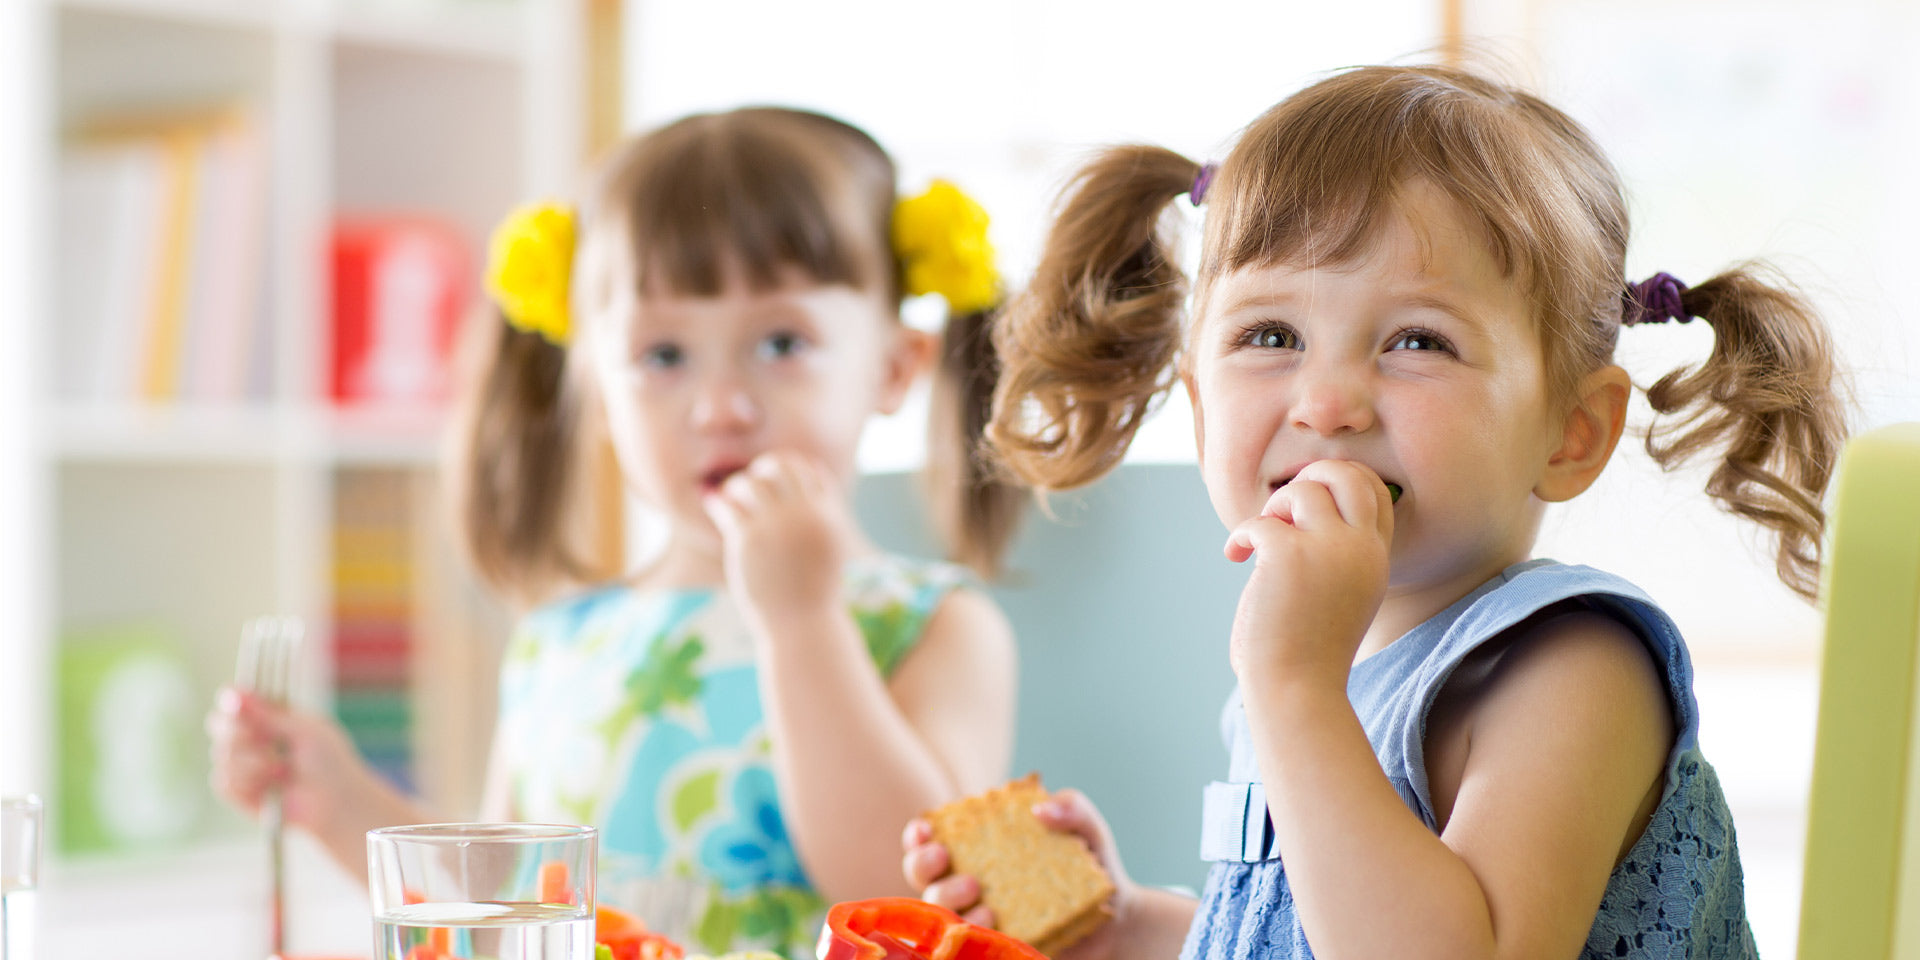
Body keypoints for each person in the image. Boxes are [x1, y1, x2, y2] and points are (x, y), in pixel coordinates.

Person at [903, 64, 1845, 960]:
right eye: (1271, 335)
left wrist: (1294, 685)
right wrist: (1133, 926)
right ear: (1198, 410)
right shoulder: (1310, 670)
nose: (1327, 402)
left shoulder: (1573, 669)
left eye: (1416, 341)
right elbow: (1315, 930)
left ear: (1570, 433)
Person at [209, 106, 1024, 958]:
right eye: (663, 357)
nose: (721, 408)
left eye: (782, 342)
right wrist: (341, 804)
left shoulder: (934, 626)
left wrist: (801, 620)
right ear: (596, 388)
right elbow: (503, 915)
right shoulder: (562, 643)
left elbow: (912, 909)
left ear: (895, 367)